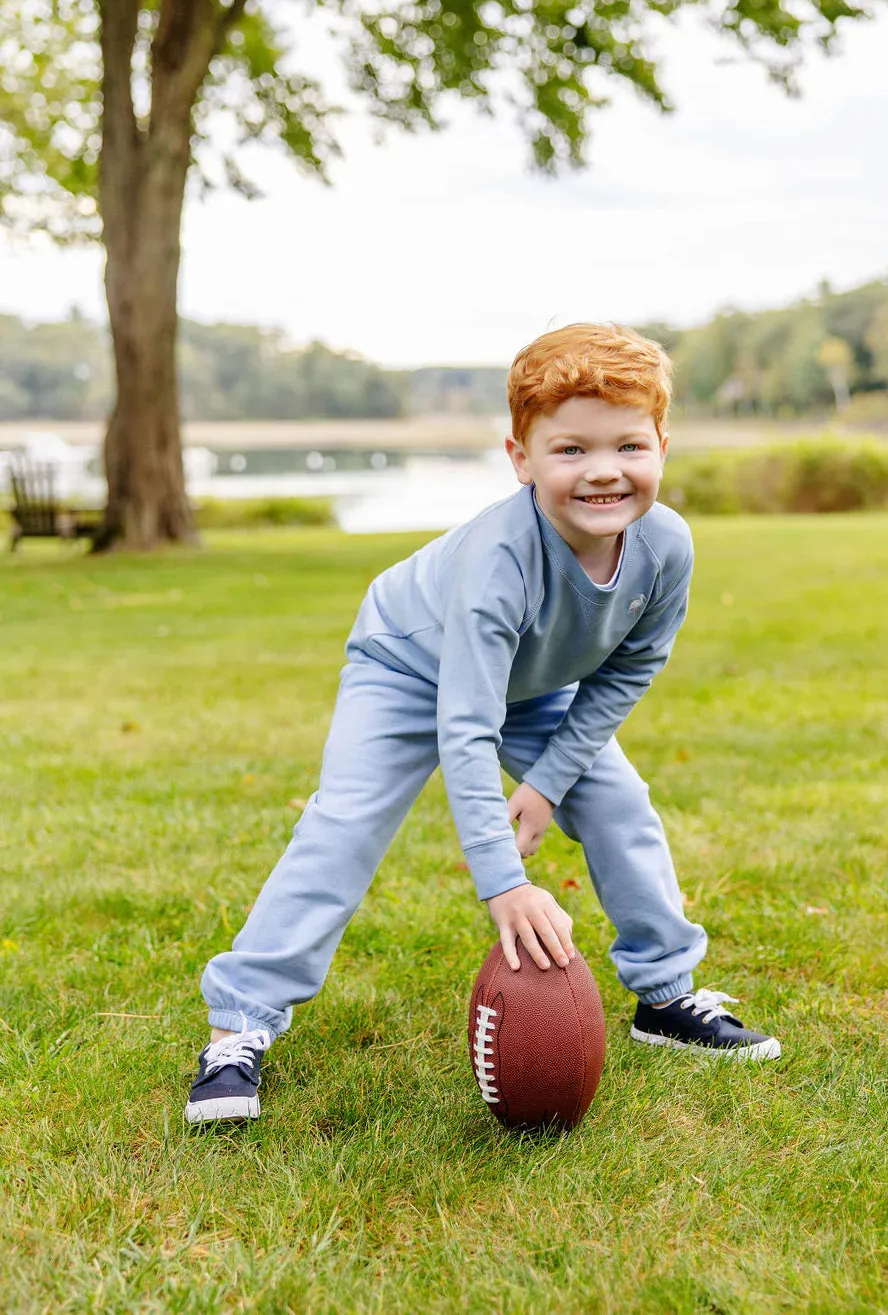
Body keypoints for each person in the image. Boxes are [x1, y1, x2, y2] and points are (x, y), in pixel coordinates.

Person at [185, 323, 780, 1123]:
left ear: (663, 445)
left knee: (619, 803)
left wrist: (546, 782)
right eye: (570, 450)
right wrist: (504, 881)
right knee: (345, 825)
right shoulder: (498, 557)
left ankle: (666, 996)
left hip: (531, 685)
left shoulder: (666, 545)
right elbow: (464, 727)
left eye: (629, 446)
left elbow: (629, 669)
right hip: (409, 664)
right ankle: (240, 1024)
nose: (603, 471)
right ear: (520, 457)